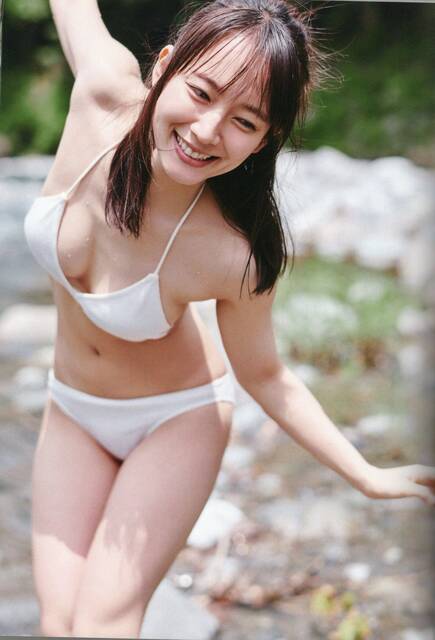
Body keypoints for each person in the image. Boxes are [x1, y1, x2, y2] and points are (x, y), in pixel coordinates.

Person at [24, 0, 435, 637]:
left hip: (175, 420)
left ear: (264, 141)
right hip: (71, 406)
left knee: (102, 622)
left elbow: (267, 376)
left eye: (244, 121)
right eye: (201, 92)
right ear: (164, 66)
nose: (207, 130)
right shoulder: (101, 94)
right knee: (58, 623)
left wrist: (367, 475)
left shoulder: (231, 253)